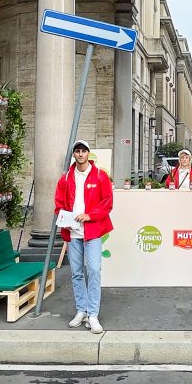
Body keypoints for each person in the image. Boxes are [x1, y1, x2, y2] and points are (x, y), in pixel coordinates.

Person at [54, 139, 114, 334]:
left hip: (93, 231)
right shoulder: (65, 178)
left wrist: (90, 215)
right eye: (77, 151)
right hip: (73, 234)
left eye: (84, 151)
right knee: (77, 272)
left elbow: (107, 202)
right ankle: (81, 310)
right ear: (73, 154)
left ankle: (93, 314)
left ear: (89, 154)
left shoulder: (100, 176)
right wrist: (64, 217)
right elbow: (59, 203)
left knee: (94, 270)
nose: (80, 154)